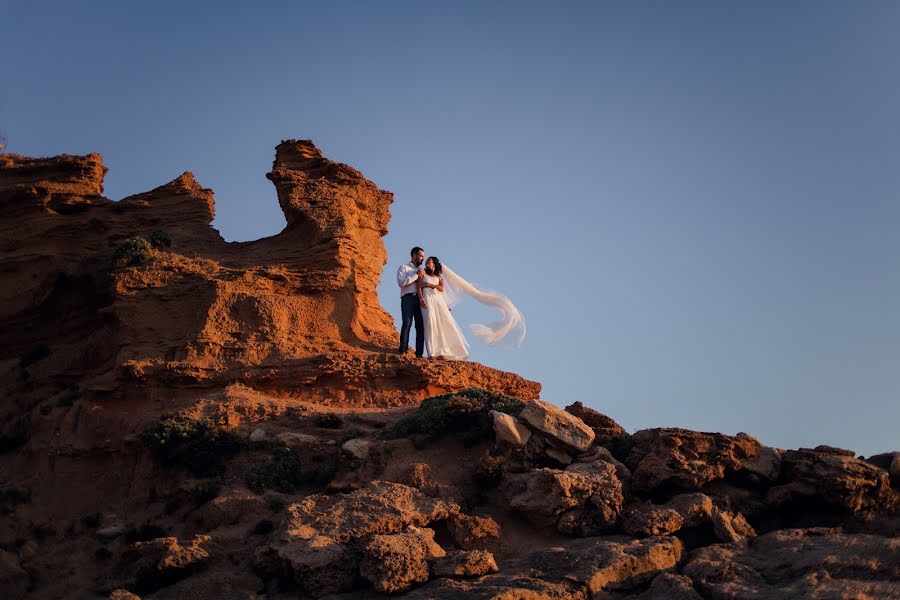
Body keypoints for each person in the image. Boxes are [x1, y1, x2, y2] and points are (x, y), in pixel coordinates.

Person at [417, 256, 469, 360]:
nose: (427, 262)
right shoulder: (422, 272)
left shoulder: (439, 276)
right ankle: (431, 353)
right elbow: (418, 286)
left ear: (434, 264)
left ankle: (444, 351)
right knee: (430, 324)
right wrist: (421, 299)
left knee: (444, 324)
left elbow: (441, 288)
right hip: (427, 300)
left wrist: (429, 284)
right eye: (426, 261)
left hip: (438, 301)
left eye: (429, 261)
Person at [396, 246, 425, 357]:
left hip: (419, 299)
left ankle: (419, 354)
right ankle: (402, 350)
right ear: (414, 255)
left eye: (423, 257)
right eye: (421, 256)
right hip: (407, 298)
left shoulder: (423, 271)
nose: (422, 259)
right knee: (407, 323)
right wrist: (416, 275)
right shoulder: (404, 267)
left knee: (420, 326)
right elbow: (401, 283)